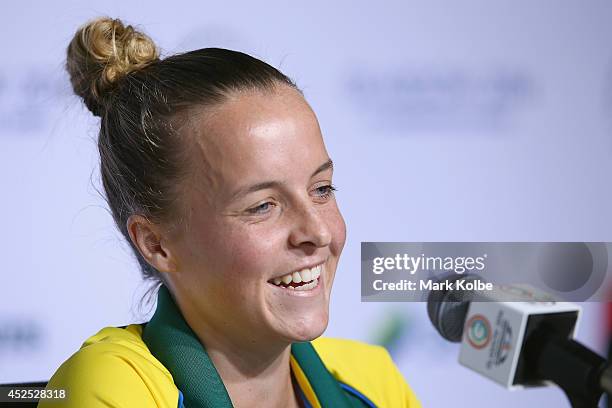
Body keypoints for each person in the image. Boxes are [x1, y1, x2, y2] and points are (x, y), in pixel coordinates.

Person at [40, 17, 421, 408]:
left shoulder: (374, 381)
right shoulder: (109, 387)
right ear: (157, 243)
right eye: (263, 206)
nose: (318, 232)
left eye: (321, 189)